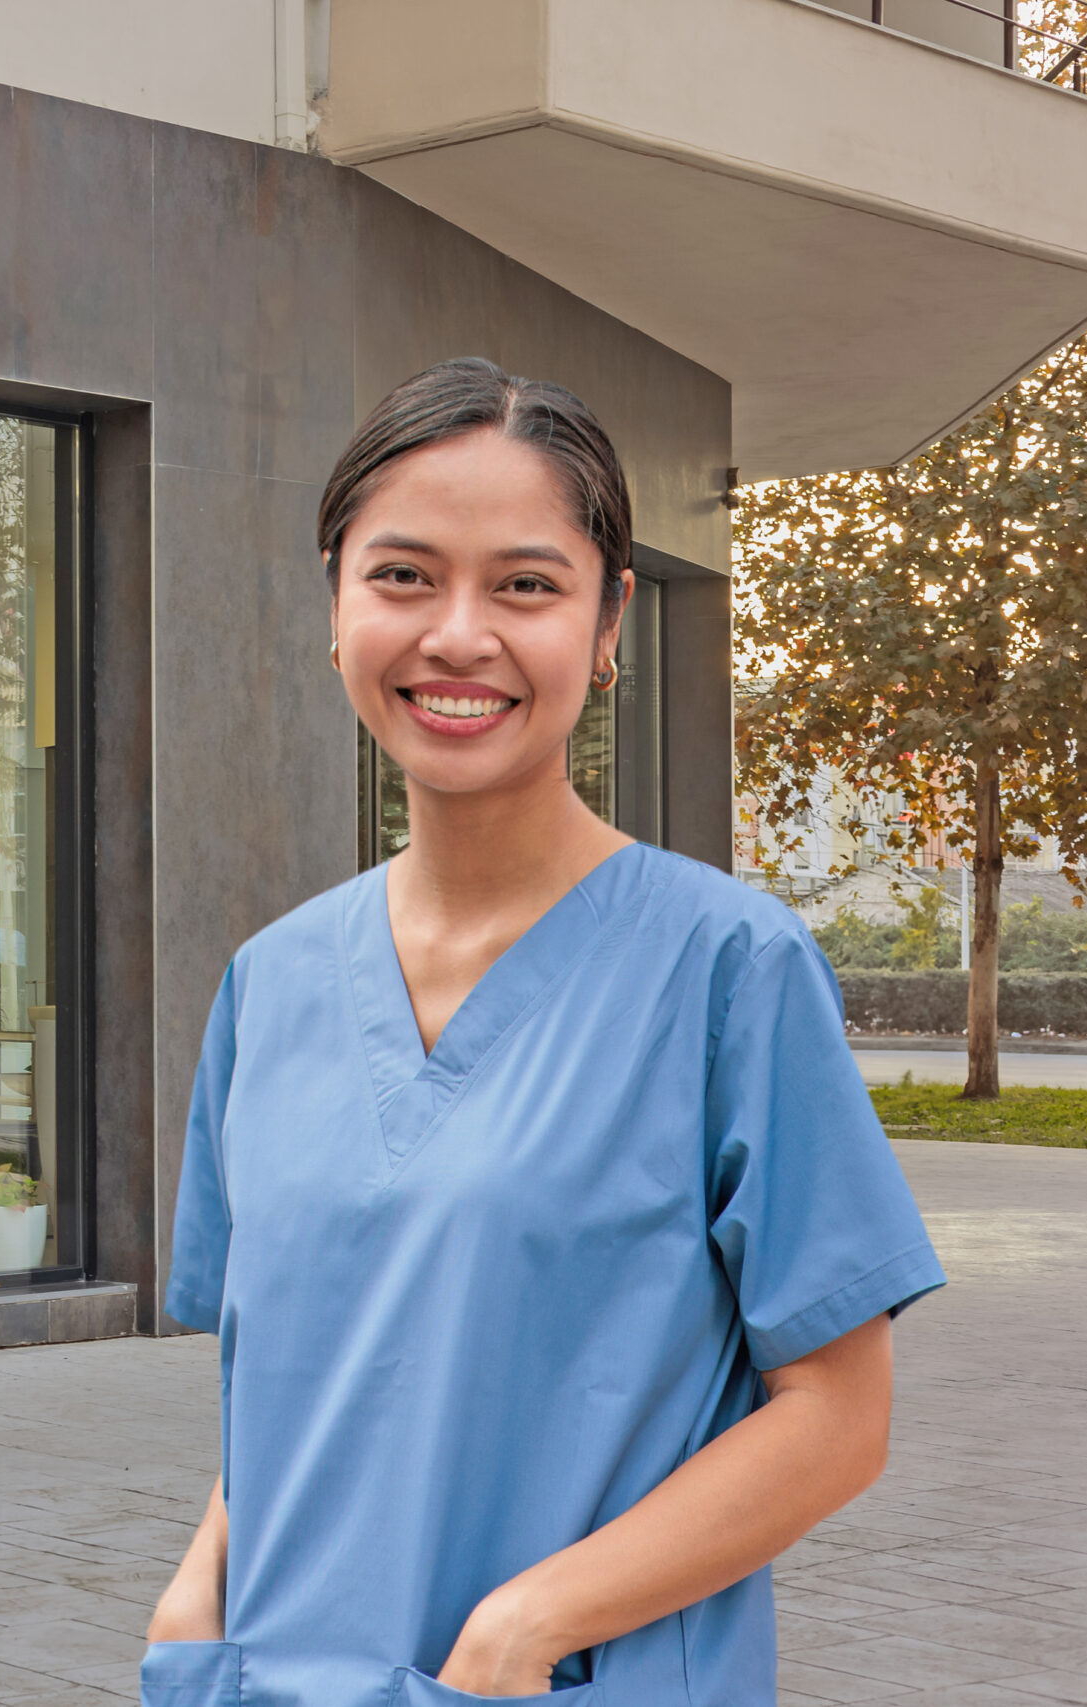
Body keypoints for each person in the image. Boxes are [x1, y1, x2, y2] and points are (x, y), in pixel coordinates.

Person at [140, 359, 944, 1706]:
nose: (458, 636)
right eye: (402, 576)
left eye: (525, 585)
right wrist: (195, 1596)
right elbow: (294, 1377)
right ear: (335, 606)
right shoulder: (271, 983)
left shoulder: (728, 972)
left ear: (610, 618)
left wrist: (526, 1624)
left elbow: (837, 1421)